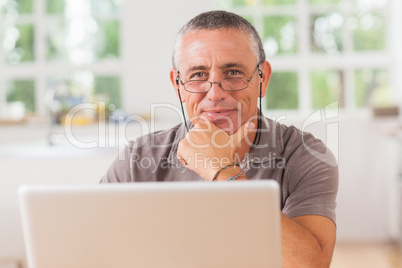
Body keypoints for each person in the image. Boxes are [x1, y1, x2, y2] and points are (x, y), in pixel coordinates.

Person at [101, 10, 338, 267]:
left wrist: (224, 172)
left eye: (234, 72)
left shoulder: (304, 155)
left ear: (263, 79)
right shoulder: (138, 159)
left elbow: (310, 264)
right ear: (177, 84)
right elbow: (92, 245)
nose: (215, 93)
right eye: (198, 75)